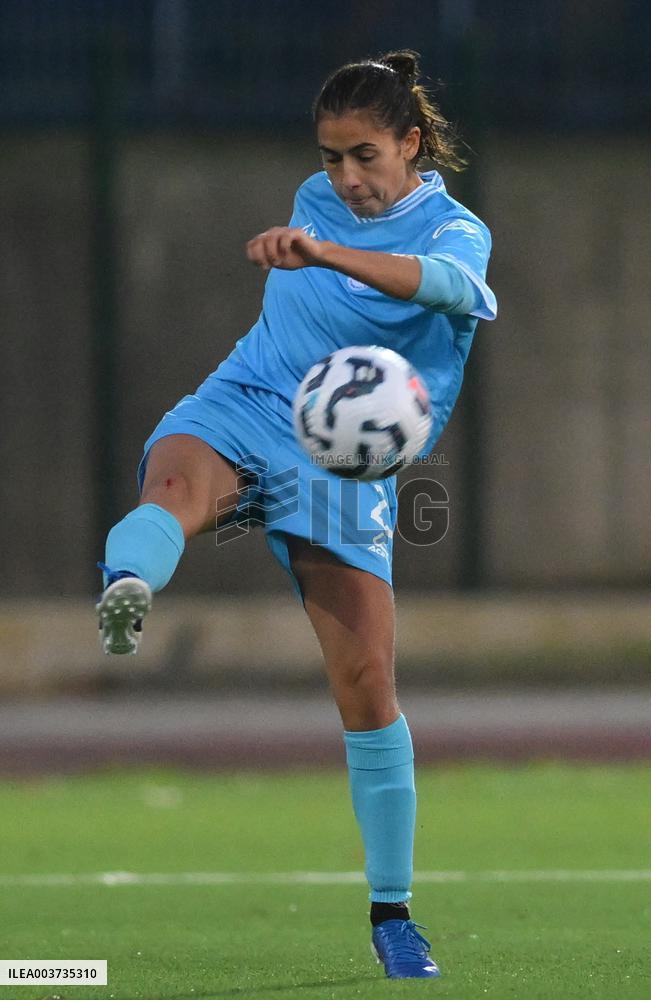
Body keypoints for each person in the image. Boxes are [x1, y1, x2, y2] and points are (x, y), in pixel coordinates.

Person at [96, 49, 497, 979]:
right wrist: (315, 233)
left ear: (411, 142)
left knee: (366, 684)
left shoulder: (457, 229)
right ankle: (127, 582)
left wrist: (322, 249)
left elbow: (443, 288)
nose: (345, 178)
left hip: (341, 463)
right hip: (248, 400)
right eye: (329, 159)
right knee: (171, 494)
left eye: (363, 156)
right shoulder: (315, 196)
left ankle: (393, 914)